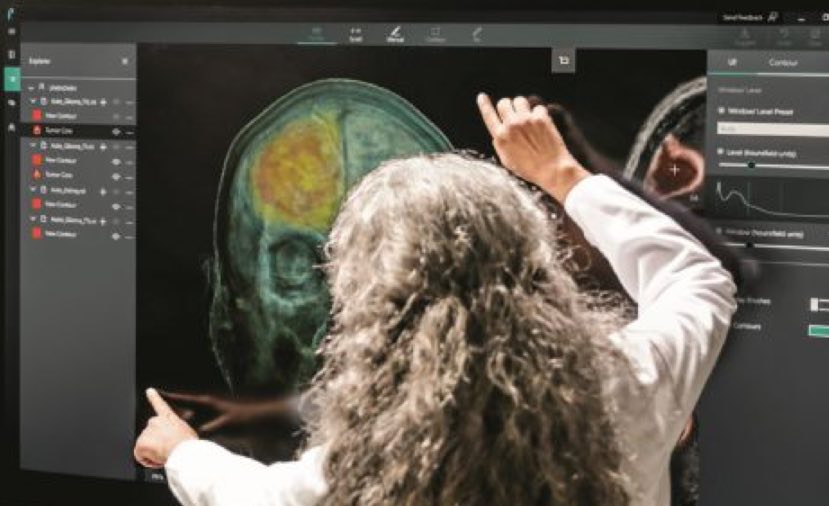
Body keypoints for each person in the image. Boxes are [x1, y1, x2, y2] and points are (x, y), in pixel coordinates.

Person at [134, 94, 737, 505]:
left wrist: (180, 453)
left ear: (372, 307)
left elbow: (248, 497)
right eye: (292, 266)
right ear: (536, 262)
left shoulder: (368, 470)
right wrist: (560, 173)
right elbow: (697, 279)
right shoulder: (628, 386)